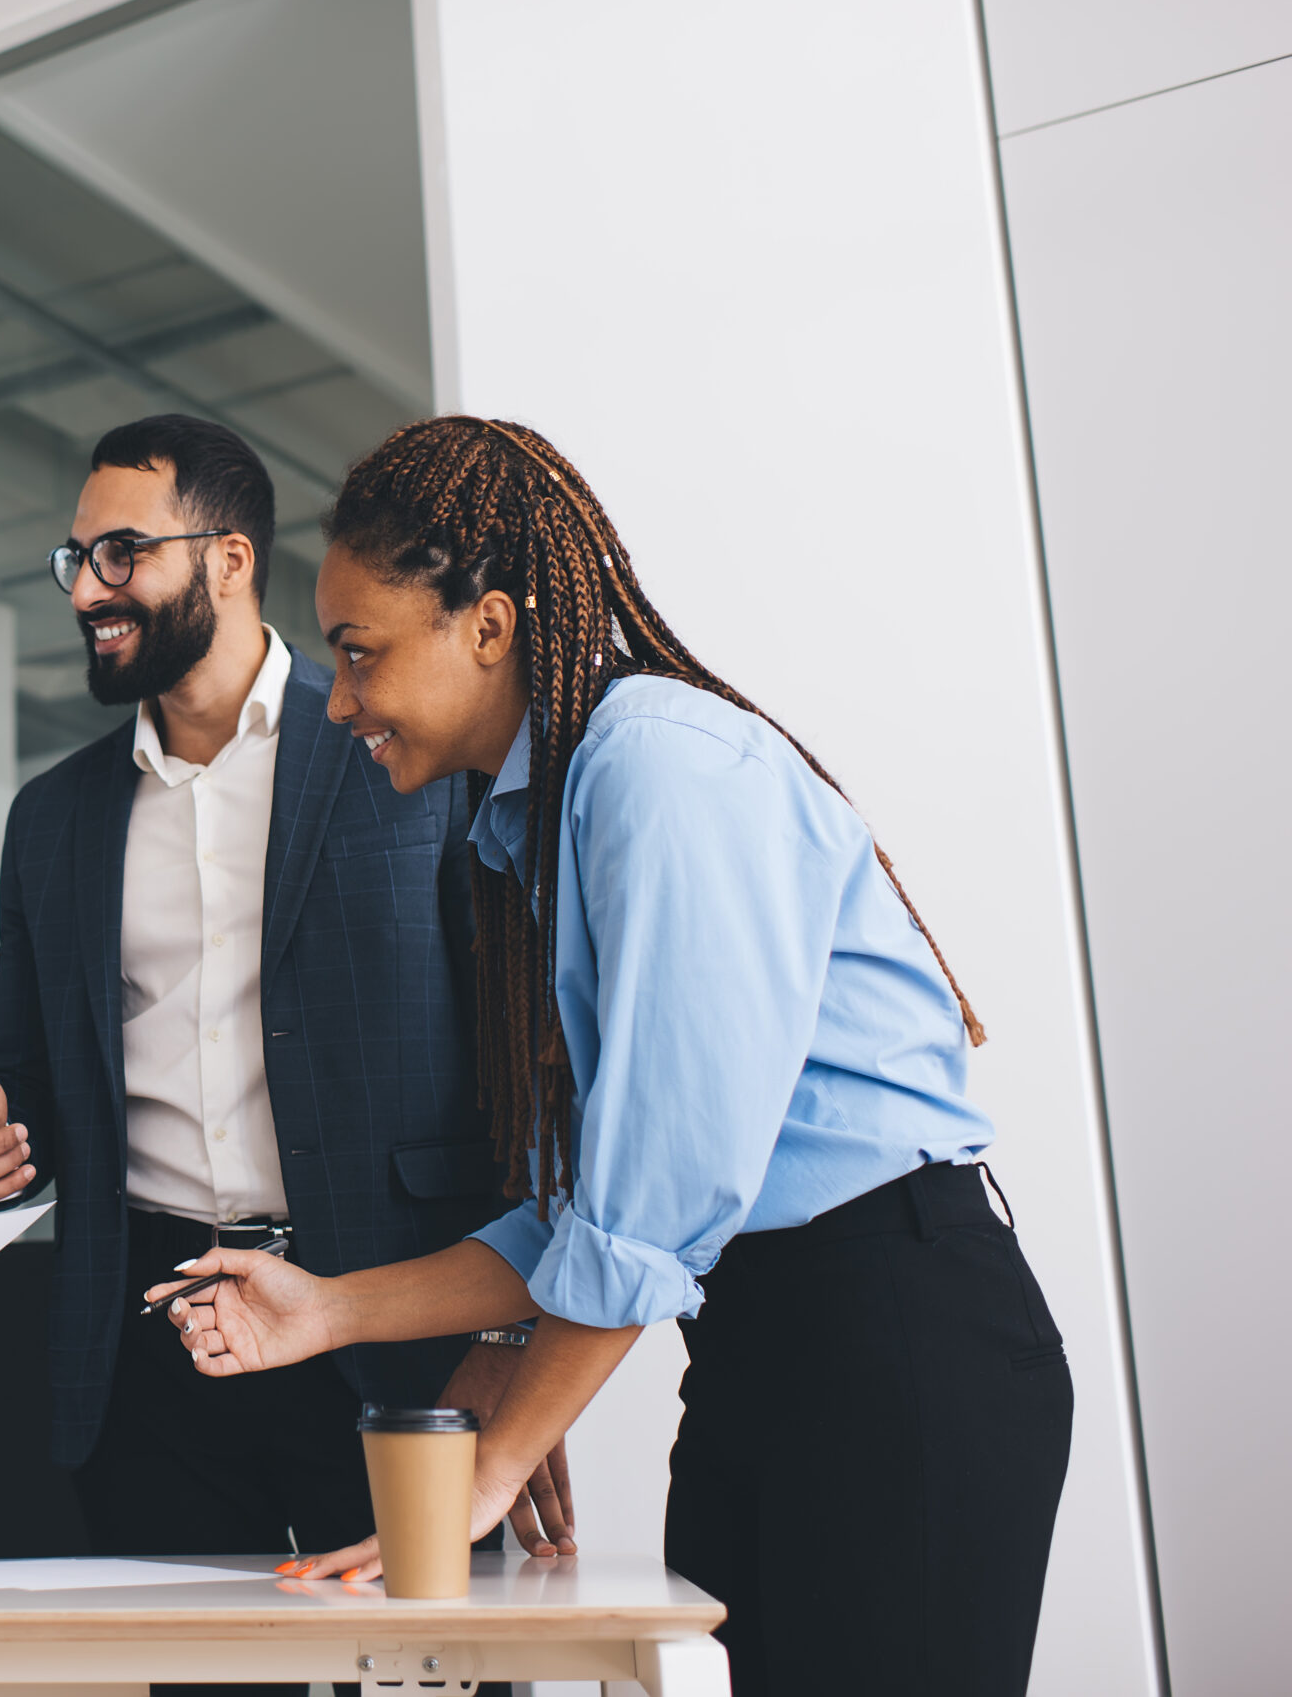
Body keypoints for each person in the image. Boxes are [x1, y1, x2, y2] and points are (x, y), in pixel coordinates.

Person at [158, 416, 1073, 1696]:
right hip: (771, 1343)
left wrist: (487, 1461)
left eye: (361, 654)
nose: (345, 699)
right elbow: (584, 1214)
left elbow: (657, 1202)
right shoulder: (544, 811)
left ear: (487, 624)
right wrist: (326, 1306)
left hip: (893, 1335)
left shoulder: (653, 762)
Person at [0, 415, 572, 1696]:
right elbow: (28, 1097)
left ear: (225, 559)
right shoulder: (51, 817)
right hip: (154, 1344)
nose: (87, 589)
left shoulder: (410, 743)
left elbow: (524, 1062)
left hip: (395, 1321)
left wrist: (512, 1333)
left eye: (118, 553)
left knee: (440, 1682)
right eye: (75, 559)